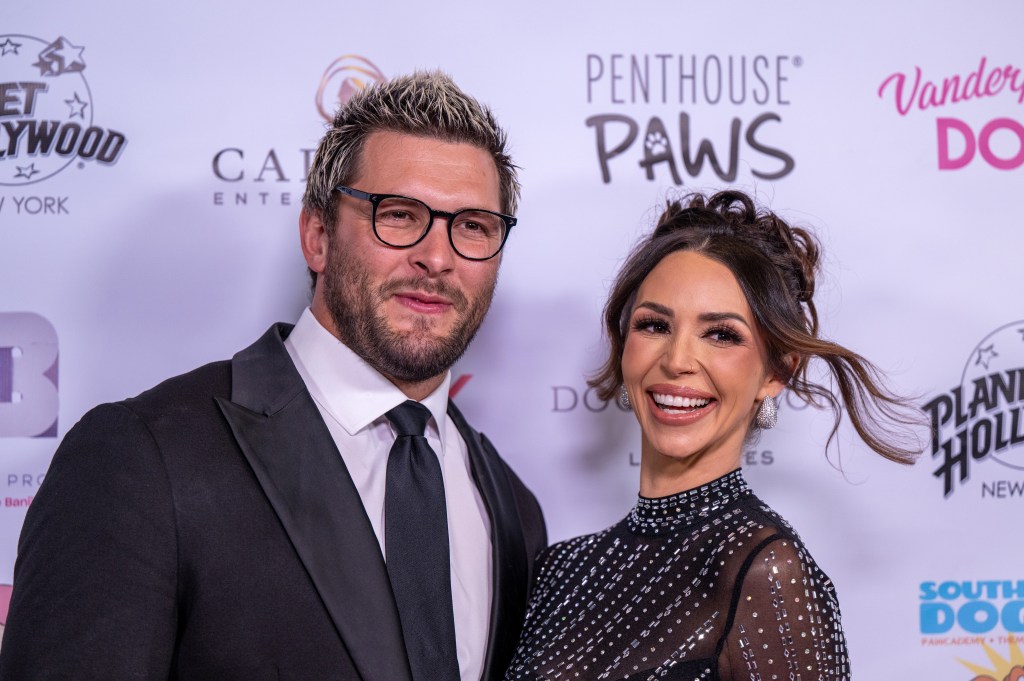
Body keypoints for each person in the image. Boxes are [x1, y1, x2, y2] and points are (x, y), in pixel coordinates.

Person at [0, 71, 546, 681]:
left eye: (473, 226)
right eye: (398, 215)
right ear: (317, 237)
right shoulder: (141, 458)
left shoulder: (514, 510)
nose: (437, 258)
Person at [505, 190, 920, 680]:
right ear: (623, 349)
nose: (677, 360)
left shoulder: (764, 570)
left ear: (777, 373)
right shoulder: (560, 570)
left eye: (721, 334)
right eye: (654, 325)